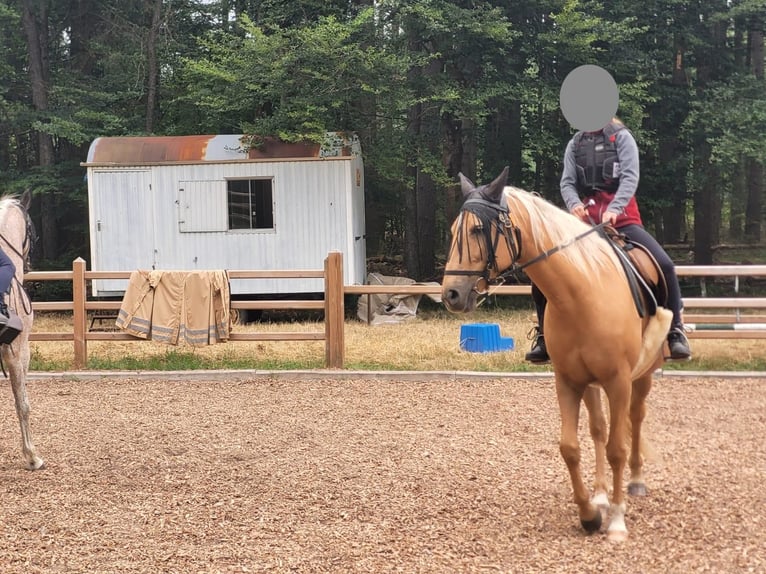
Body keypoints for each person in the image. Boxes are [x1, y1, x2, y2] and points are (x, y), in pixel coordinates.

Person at [525, 117, 691, 363]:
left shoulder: (622, 137)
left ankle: (675, 331)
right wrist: (574, 205)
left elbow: (630, 178)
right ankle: (544, 337)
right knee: (545, 271)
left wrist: (615, 207)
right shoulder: (575, 143)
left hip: (622, 219)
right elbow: (567, 182)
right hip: (585, 223)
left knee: (665, 265)